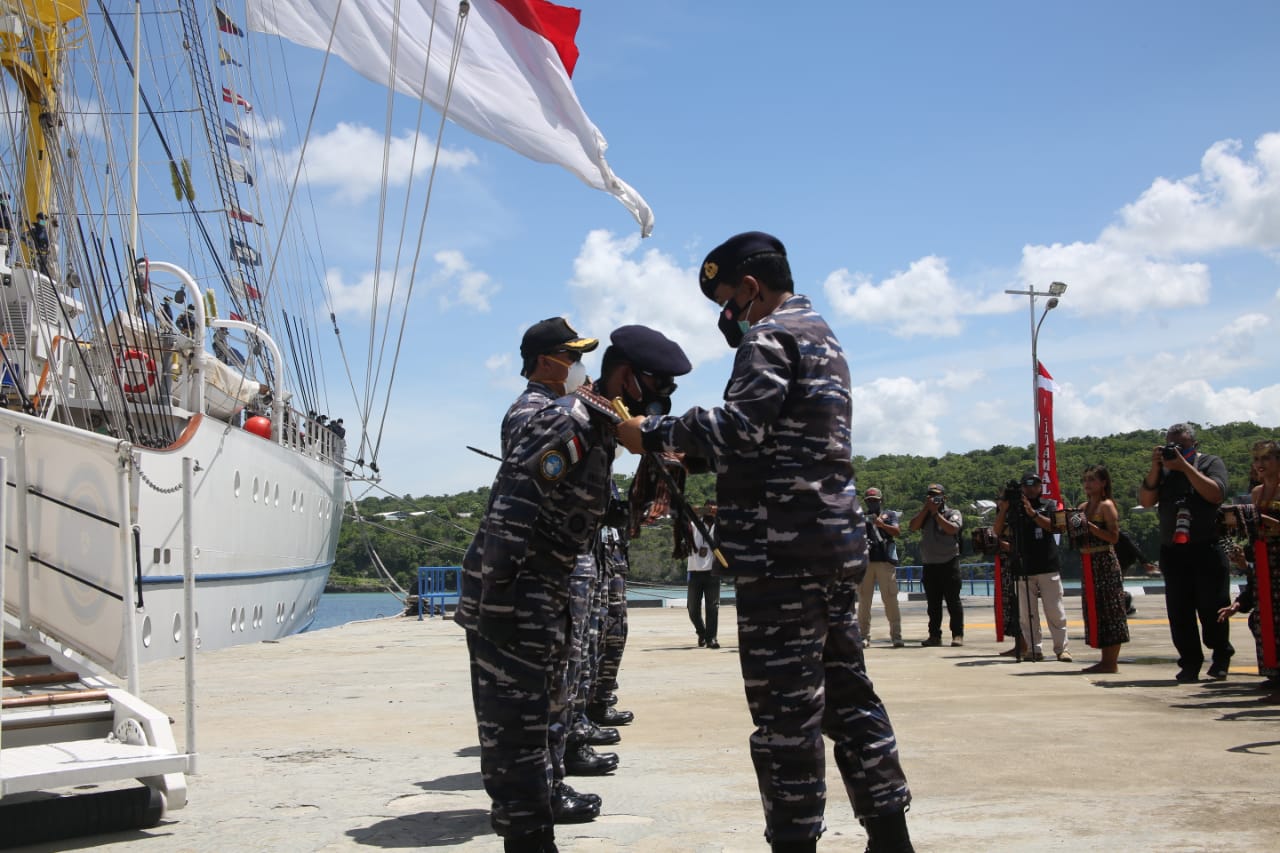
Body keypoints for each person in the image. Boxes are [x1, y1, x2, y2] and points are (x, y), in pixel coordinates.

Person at [617, 231, 912, 853]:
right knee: (850, 698)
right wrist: (690, 458)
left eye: (730, 301)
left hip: (780, 555)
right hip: (831, 547)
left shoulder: (771, 337)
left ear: (751, 288)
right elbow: (781, 439)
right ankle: (891, 836)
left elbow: (742, 427)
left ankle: (795, 841)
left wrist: (655, 430)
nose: (731, 316)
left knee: (786, 718)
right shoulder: (821, 333)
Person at [454, 320, 689, 852]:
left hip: (547, 587)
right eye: (659, 388)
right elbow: (512, 508)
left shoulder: (602, 424)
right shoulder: (570, 423)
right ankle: (529, 836)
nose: (663, 399)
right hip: (515, 592)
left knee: (541, 718)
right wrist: (500, 604)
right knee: (516, 733)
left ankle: (536, 828)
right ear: (627, 378)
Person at [1138, 422, 1233, 683]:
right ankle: (1190, 662)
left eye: (1181, 445)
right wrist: (1157, 467)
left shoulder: (1209, 463)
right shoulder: (1165, 471)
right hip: (1174, 551)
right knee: (1179, 612)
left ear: (1194, 445)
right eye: (1171, 444)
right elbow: (1146, 501)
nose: (1175, 450)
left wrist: (1185, 467)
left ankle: (1221, 655)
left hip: (1205, 547)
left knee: (1212, 607)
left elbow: (1215, 494)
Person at [1217, 439, 1280, 690]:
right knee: (1263, 618)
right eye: (1257, 459)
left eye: (1266, 458)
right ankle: (1272, 673)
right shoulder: (1256, 493)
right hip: (1264, 558)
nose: (1260, 464)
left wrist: (1259, 518)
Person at [993, 472, 1071, 663]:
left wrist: (1033, 513)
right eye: (1026, 486)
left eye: (1034, 485)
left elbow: (1057, 528)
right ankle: (1034, 649)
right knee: (1027, 615)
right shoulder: (1014, 509)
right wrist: (1004, 509)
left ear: (1040, 487)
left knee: (1054, 611)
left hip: (1047, 565)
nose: (1030, 489)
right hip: (1023, 567)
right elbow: (997, 531)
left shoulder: (1050, 504)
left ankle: (1062, 649)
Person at [1073, 464, 1128, 673]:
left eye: (1092, 479)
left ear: (1103, 482)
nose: (1087, 484)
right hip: (1088, 561)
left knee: (1110, 609)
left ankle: (1110, 662)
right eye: (1085, 479)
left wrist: (1092, 528)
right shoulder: (1082, 507)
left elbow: (1114, 537)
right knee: (1095, 609)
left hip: (1104, 560)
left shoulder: (1107, 506)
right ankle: (1104, 659)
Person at [910, 483, 964, 648]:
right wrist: (926, 510)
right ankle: (934, 636)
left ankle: (957, 635)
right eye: (931, 496)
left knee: (953, 602)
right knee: (933, 605)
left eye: (937, 496)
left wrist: (935, 513)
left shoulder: (952, 513)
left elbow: (952, 529)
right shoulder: (924, 515)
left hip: (949, 563)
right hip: (930, 564)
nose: (934, 498)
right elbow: (912, 527)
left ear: (944, 498)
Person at [858, 487, 904, 648]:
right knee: (864, 602)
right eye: (869, 501)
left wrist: (881, 524)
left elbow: (897, 532)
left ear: (880, 501)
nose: (872, 504)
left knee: (891, 600)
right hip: (866, 563)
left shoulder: (889, 515)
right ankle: (864, 637)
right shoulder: (860, 517)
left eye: (875, 501)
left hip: (885, 562)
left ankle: (896, 637)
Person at [685, 502, 721, 648]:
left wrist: (719, 512)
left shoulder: (719, 527)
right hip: (694, 571)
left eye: (713, 509)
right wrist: (699, 510)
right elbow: (685, 513)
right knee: (692, 608)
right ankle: (702, 632)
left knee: (713, 607)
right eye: (708, 509)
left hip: (713, 572)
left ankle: (711, 638)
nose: (710, 512)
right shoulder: (694, 525)